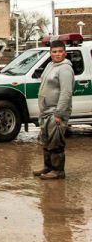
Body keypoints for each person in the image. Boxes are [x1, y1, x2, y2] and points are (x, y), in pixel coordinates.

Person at [33, 40, 74, 180]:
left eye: (60, 51)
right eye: (54, 51)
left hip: (56, 111)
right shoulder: (51, 65)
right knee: (47, 140)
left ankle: (58, 171)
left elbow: (66, 92)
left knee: (55, 141)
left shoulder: (65, 69)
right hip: (46, 111)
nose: (57, 54)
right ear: (50, 53)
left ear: (65, 53)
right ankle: (48, 166)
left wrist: (59, 113)